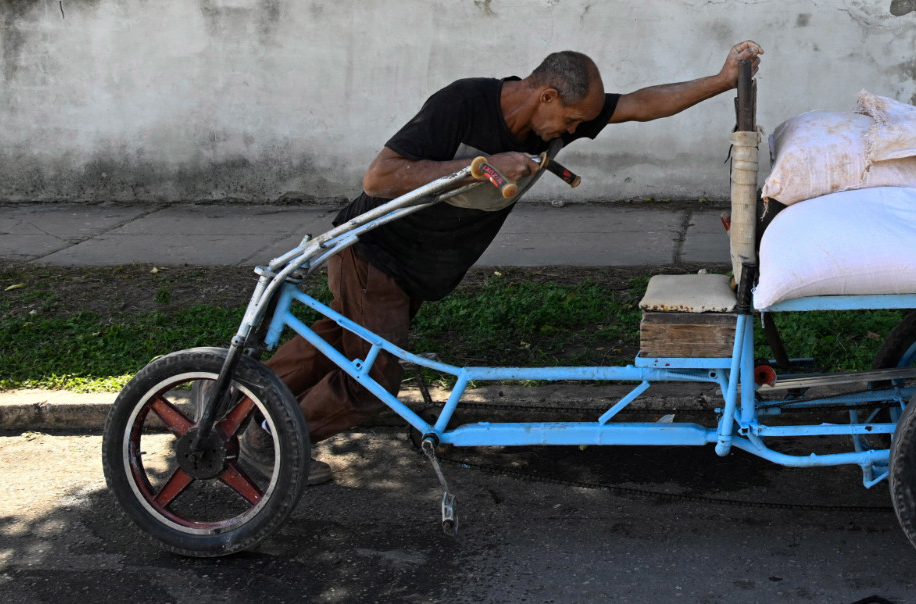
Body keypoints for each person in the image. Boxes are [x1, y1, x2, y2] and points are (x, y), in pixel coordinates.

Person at [245, 41, 764, 484]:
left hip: (415, 265)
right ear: (546, 95)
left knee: (337, 346)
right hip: (375, 250)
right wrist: (479, 166)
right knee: (372, 377)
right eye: (570, 119)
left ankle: (234, 403)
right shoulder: (464, 102)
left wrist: (721, 80)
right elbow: (379, 177)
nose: (572, 130)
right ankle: (272, 446)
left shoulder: (554, 123)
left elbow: (641, 104)